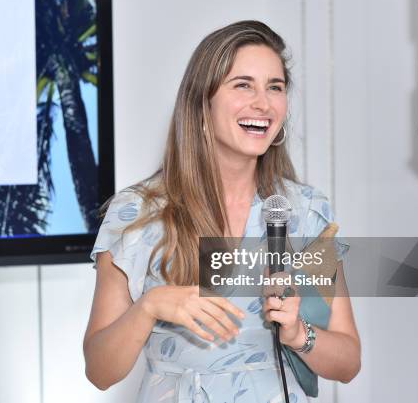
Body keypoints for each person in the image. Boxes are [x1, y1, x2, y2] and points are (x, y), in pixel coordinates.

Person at [83, 20, 360, 403]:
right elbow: (99, 371)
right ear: (202, 100)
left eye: (275, 87)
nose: (263, 103)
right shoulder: (137, 213)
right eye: (243, 84)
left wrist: (298, 334)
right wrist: (149, 306)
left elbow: (348, 362)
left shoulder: (306, 211)